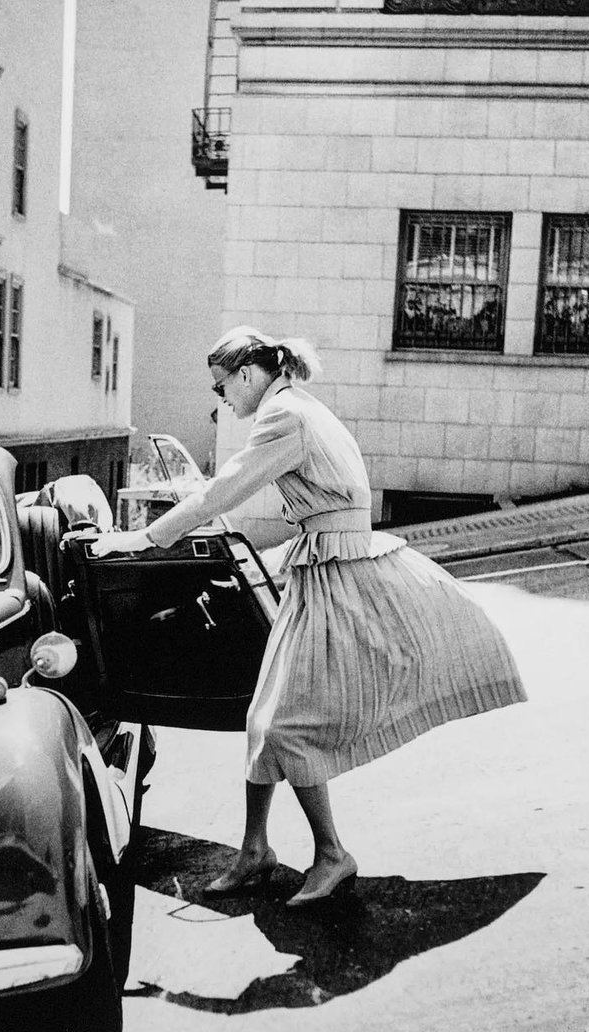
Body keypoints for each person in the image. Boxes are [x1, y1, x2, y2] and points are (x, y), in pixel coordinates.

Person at [89, 326, 527, 908]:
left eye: (222, 389)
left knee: (289, 723)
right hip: (323, 563)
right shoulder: (302, 407)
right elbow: (329, 505)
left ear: (247, 376)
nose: (223, 402)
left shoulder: (282, 417)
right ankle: (254, 851)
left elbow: (224, 492)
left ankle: (331, 855)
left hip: (336, 574)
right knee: (263, 713)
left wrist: (144, 538)